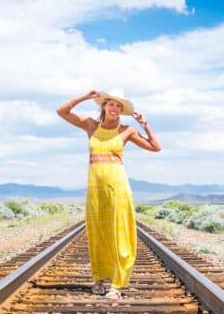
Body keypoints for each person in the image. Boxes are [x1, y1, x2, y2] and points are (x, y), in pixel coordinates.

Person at [57, 89, 161, 299]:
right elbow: (61, 111)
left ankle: (116, 284)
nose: (115, 108)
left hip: (118, 187)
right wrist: (85, 97)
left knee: (119, 233)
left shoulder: (127, 131)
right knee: (98, 233)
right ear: (103, 106)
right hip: (95, 189)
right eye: (111, 104)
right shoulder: (91, 126)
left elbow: (155, 147)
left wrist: (145, 125)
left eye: (119, 106)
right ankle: (99, 280)